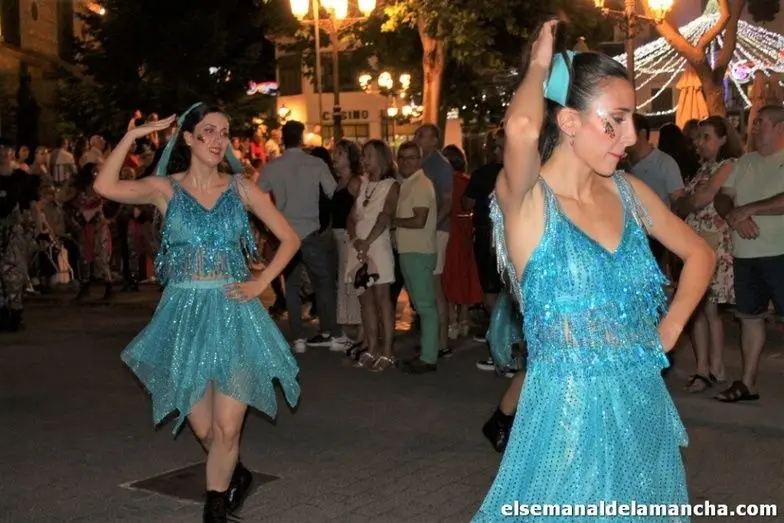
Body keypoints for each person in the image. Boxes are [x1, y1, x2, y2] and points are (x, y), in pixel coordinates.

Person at [473, 21, 715, 522]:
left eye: (632, 121)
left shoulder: (629, 192)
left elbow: (700, 253)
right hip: (564, 423)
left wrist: (669, 329)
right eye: (615, 121)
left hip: (643, 407)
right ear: (568, 121)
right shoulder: (528, 202)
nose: (630, 136)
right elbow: (521, 129)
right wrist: (540, 64)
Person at [93, 103, 302, 523]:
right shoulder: (165, 189)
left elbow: (289, 238)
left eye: (223, 132)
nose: (217, 139)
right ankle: (236, 473)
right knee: (206, 430)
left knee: (228, 428)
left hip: (234, 312)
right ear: (187, 139)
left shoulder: (241, 188)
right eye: (208, 131)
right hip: (183, 315)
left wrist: (261, 282)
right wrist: (134, 136)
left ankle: (215, 510)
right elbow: (104, 185)